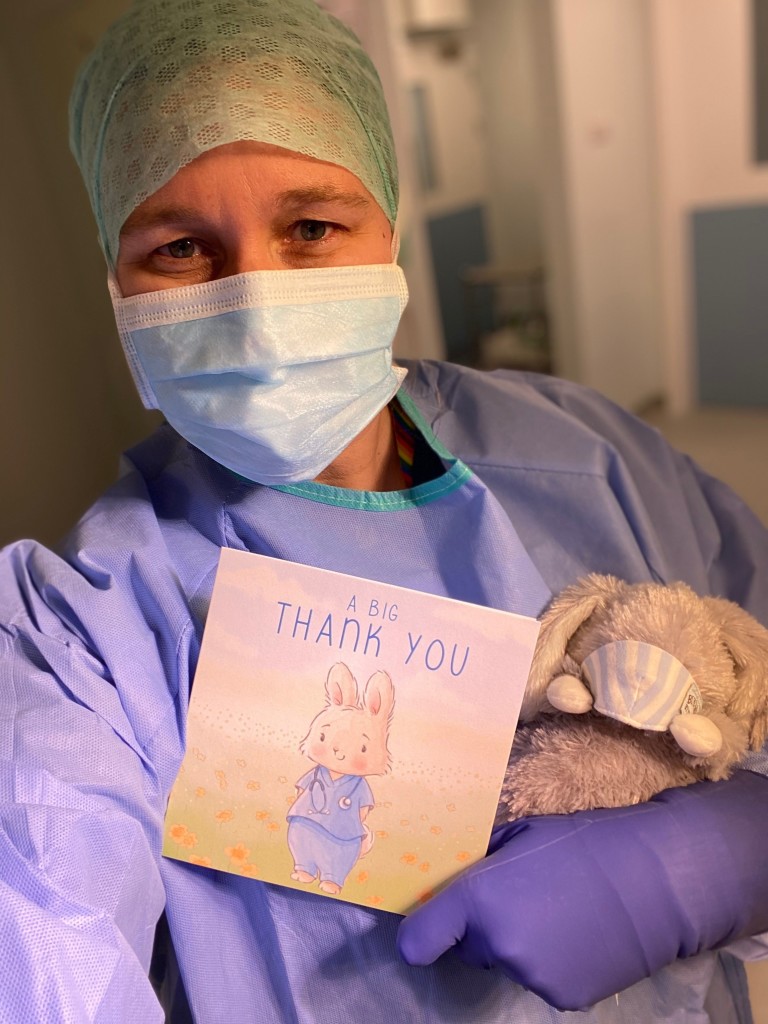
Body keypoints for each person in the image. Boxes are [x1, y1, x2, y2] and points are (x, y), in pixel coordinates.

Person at [0, 0, 767, 1020]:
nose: (256, 298)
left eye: (312, 227)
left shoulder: (588, 455)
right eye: (180, 249)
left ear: (388, 226)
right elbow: (42, 924)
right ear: (118, 275)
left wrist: (737, 849)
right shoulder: (90, 623)